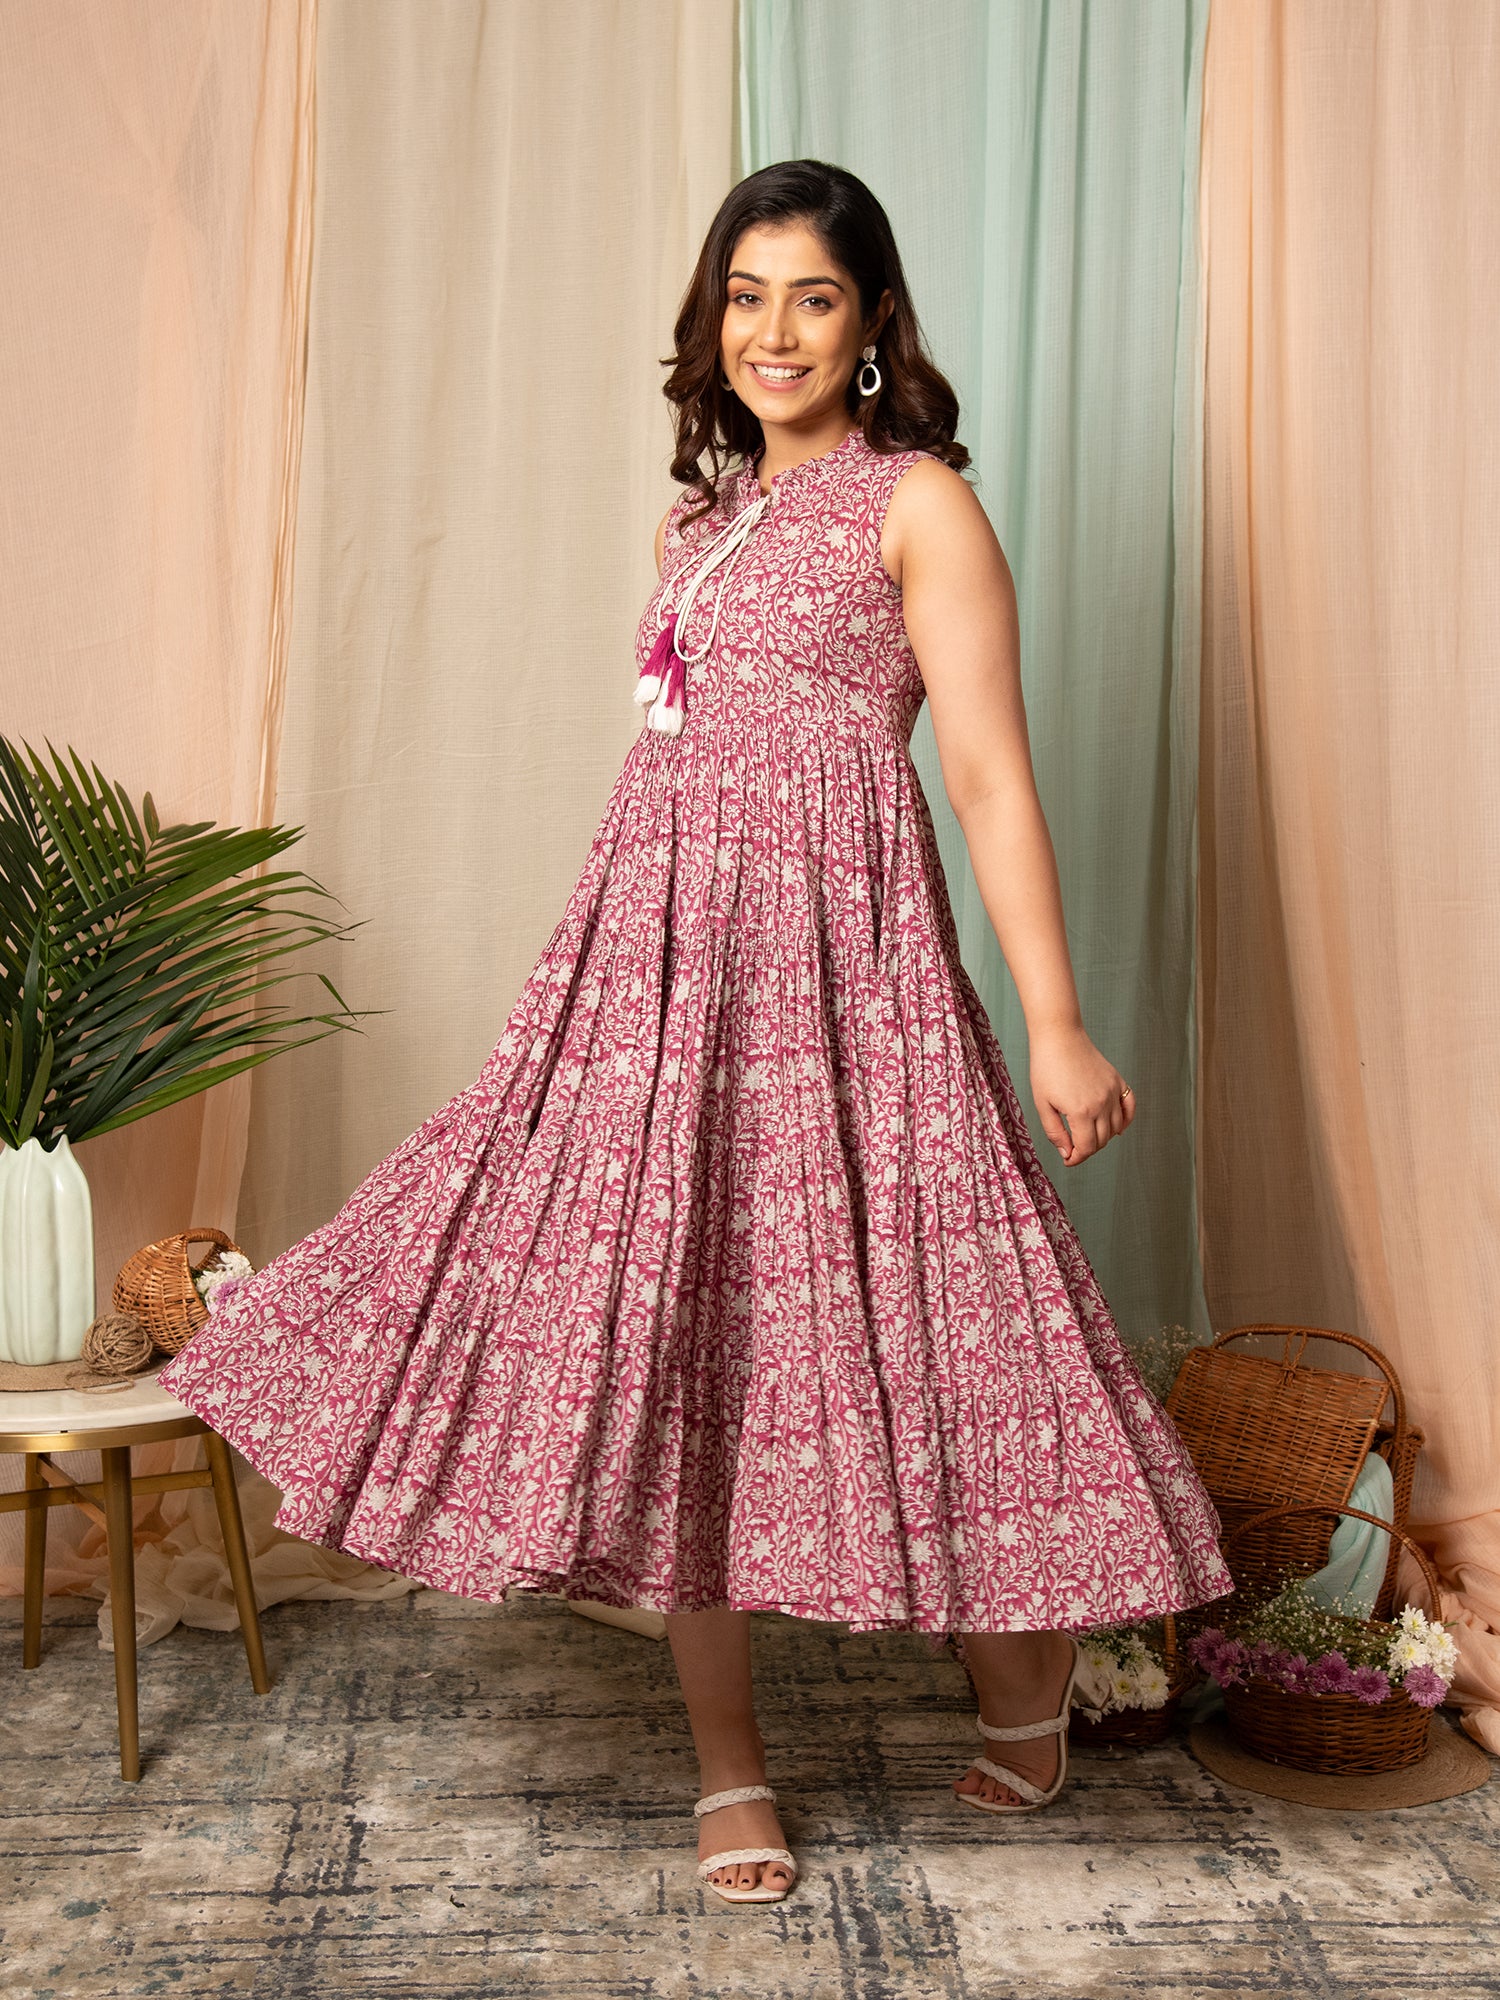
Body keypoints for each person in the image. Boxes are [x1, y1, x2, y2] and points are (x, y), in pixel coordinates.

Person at [159, 158, 1231, 1908]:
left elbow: (984, 775)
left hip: (848, 968)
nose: (774, 330)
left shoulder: (920, 507)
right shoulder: (698, 520)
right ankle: (731, 1766)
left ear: (874, 323)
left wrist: (1056, 1019)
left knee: (950, 1315)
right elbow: (672, 756)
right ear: (711, 317)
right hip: (658, 974)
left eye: (814, 296)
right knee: (682, 1344)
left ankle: (1029, 1688)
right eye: (746, 295)